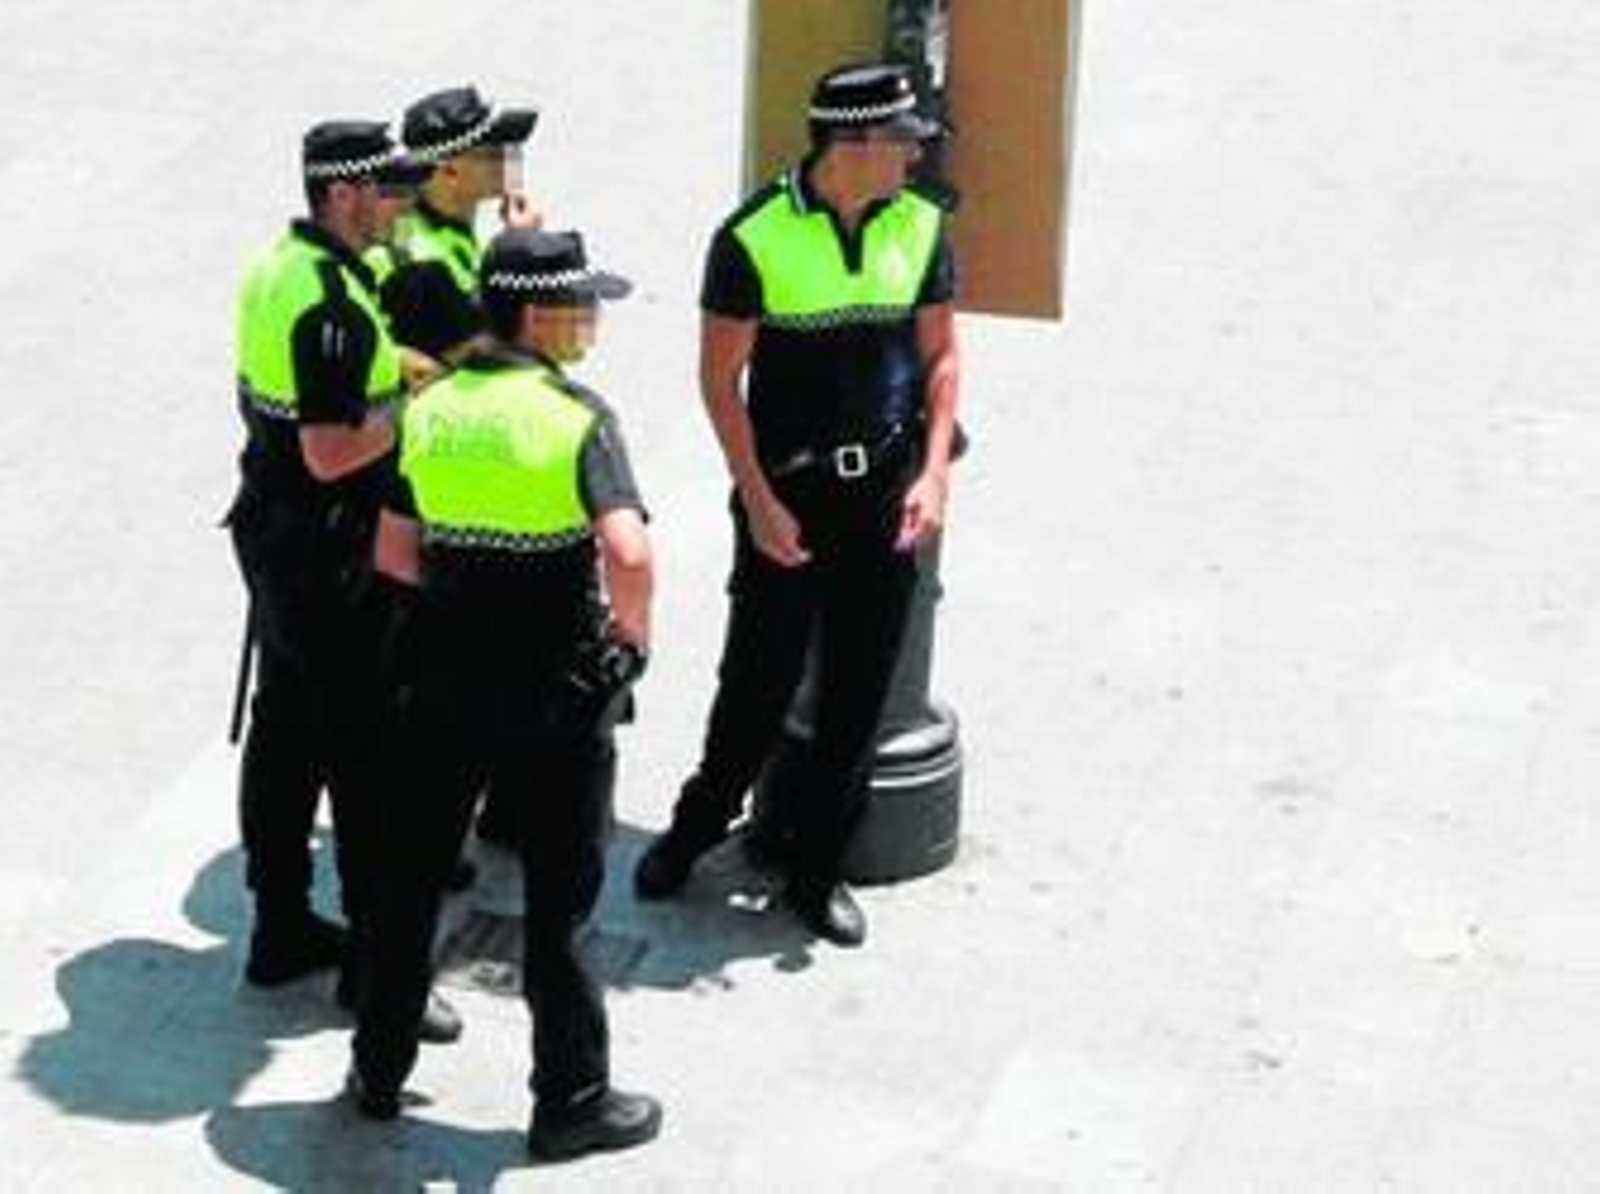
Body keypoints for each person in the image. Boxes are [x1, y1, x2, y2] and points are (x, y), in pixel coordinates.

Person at [347, 227, 662, 1161]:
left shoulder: (432, 407)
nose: (590, 323)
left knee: (410, 882)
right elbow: (630, 551)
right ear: (536, 314)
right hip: (554, 692)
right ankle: (571, 1097)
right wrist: (629, 639)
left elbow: (394, 553)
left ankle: (377, 1067)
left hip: (442, 678)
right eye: (579, 306)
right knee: (558, 905)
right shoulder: (576, 417)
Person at [632, 62, 961, 948]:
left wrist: (933, 476)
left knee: (857, 696)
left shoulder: (924, 225)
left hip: (885, 499)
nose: (916, 152)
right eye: (901, 138)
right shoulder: (752, 238)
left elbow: (941, 360)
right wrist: (759, 498)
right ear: (851, 144)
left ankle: (817, 873)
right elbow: (719, 380)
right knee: (757, 682)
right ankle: (698, 826)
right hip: (791, 498)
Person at [228, 119, 460, 1041]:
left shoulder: (281, 265)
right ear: (342, 194)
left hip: (278, 537)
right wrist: (414, 397)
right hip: (328, 553)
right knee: (368, 763)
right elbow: (330, 451)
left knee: (286, 732)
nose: (400, 203)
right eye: (386, 189)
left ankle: (279, 924)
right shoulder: (326, 298)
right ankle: (376, 971)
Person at [374, 84, 546, 859]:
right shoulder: (422, 264)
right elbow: (499, 367)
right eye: (491, 151)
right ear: (446, 171)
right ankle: (430, 841)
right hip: (438, 498)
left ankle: (494, 807)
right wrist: (524, 261)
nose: (507, 163)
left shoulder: (445, 232)